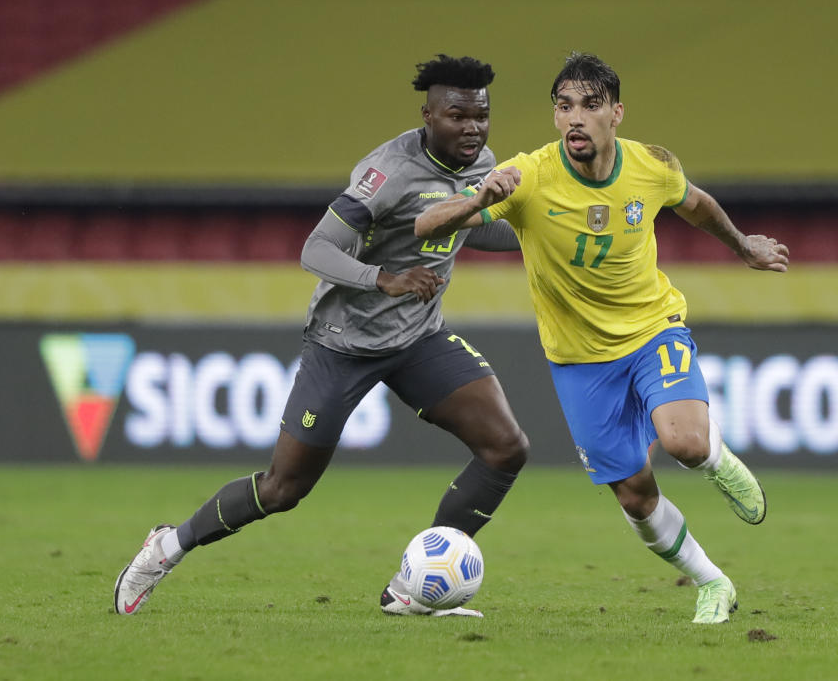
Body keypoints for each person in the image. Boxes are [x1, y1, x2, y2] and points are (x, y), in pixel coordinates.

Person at [113, 54, 528, 618]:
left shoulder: (483, 164)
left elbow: (473, 231)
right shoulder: (387, 173)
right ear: (428, 115)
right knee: (284, 489)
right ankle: (165, 548)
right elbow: (316, 248)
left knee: (505, 448)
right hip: (343, 345)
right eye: (458, 115)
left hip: (417, 339)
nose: (473, 129)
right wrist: (384, 279)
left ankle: (413, 590)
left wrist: (547, 241)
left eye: (481, 116)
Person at [415, 52, 789, 624]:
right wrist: (478, 200)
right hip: (579, 361)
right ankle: (713, 583)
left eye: (590, 106)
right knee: (635, 497)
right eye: (564, 107)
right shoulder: (528, 177)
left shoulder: (652, 166)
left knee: (685, 444)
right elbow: (426, 224)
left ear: (617, 113)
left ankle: (717, 460)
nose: (575, 119)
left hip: (651, 329)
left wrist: (744, 247)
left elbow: (695, 203)